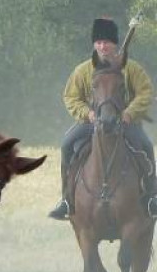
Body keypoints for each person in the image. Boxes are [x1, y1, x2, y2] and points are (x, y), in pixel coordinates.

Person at [48, 17, 157, 220]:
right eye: (98, 42)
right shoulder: (82, 71)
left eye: (107, 41)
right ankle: (66, 199)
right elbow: (71, 97)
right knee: (66, 145)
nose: (102, 46)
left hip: (125, 123)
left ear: (115, 43)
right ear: (94, 44)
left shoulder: (131, 68)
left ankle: (152, 197)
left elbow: (145, 93)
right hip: (92, 124)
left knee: (146, 146)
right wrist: (87, 113)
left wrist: (129, 113)